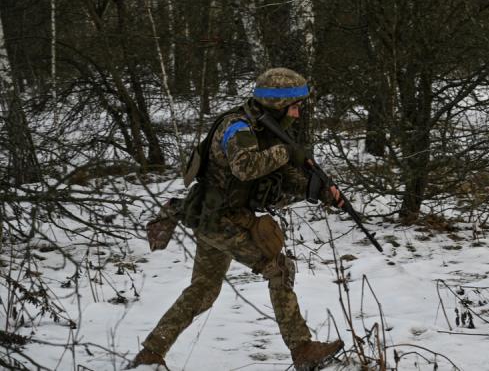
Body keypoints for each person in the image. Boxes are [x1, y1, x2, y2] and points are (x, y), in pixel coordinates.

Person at [131, 68, 344, 370]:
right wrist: (286, 152)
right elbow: (246, 167)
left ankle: (151, 354)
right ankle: (303, 349)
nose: (297, 112)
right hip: (221, 221)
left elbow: (282, 175)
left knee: (202, 292)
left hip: (215, 220)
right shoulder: (238, 128)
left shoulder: (265, 127)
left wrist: (320, 190)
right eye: (294, 105)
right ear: (277, 104)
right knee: (279, 269)